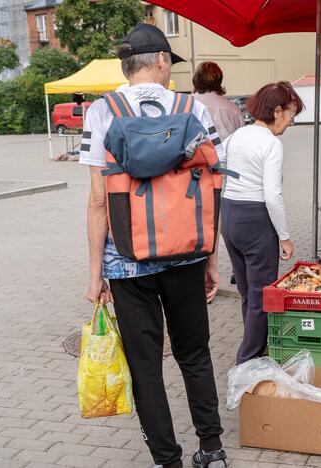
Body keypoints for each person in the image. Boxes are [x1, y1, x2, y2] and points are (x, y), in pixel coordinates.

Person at [80, 23, 227, 468]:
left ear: (126, 66)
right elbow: (213, 188)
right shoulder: (192, 108)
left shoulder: (102, 112)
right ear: (161, 61)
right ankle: (213, 448)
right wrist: (211, 257)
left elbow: (97, 200)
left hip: (127, 262)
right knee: (195, 353)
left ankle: (168, 460)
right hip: (186, 252)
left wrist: (94, 274)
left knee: (146, 365)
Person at [221, 81, 302, 364]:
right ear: (278, 110)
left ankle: (253, 345)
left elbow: (219, 165)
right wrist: (285, 236)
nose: (291, 122)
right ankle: (247, 359)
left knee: (247, 293)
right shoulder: (271, 143)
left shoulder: (237, 134)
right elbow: (272, 195)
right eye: (291, 114)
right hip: (256, 219)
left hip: (229, 214)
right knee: (262, 296)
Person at [192, 61, 245, 304]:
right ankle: (238, 270)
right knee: (228, 225)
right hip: (228, 172)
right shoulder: (232, 108)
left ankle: (202, 282)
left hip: (196, 173)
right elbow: (243, 139)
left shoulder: (188, 105)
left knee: (200, 227)